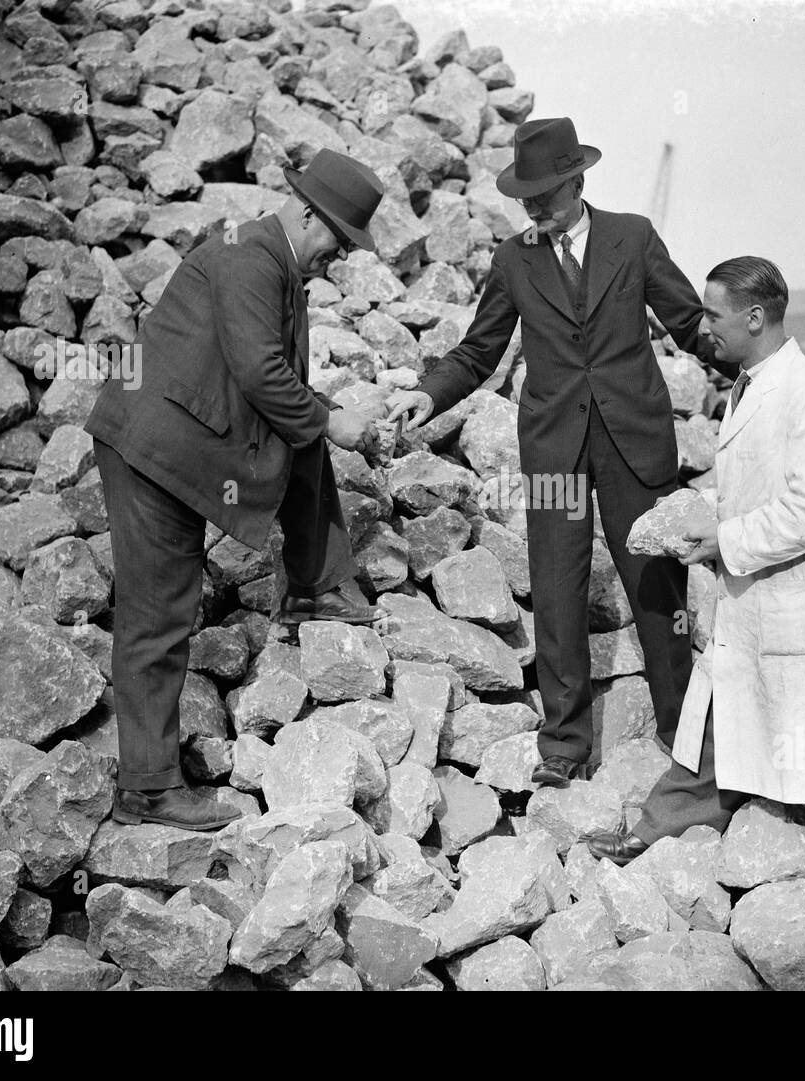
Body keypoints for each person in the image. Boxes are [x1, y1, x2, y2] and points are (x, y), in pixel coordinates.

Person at [386, 117, 732, 787]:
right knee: (556, 587)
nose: (535, 206)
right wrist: (429, 396)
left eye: (546, 192)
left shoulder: (632, 236)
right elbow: (480, 349)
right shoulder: (514, 258)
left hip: (634, 438)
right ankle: (565, 748)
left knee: (658, 586)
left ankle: (686, 741)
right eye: (526, 196)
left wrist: (753, 363)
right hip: (554, 453)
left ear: (578, 179)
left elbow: (689, 322)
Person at [586, 256, 805, 947]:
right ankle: (655, 830)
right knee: (720, 723)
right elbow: (758, 491)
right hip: (759, 602)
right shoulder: (750, 388)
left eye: (712, 314)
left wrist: (720, 537)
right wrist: (699, 511)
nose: (701, 325)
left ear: (755, 317)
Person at [84, 150, 386, 831]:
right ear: (308, 214)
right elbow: (259, 372)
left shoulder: (273, 259)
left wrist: (320, 420)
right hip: (153, 448)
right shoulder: (253, 258)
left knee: (304, 434)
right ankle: (149, 788)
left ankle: (316, 582)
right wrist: (334, 419)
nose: (337, 260)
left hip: (182, 437)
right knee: (159, 613)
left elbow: (278, 386)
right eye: (338, 243)